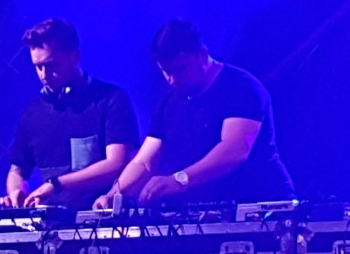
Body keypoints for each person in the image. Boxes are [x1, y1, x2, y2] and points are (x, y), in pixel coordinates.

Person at [94, 19, 294, 209]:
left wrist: (180, 179)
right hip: (211, 211)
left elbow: (234, 150)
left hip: (261, 205)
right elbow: (145, 161)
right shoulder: (169, 103)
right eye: (165, 71)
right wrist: (115, 194)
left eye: (180, 69)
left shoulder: (241, 88)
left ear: (202, 54)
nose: (172, 79)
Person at [3, 18, 139, 210]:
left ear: (74, 57)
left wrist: (56, 184)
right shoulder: (32, 112)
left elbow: (116, 162)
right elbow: (17, 169)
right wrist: (16, 191)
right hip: (48, 220)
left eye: (51, 65)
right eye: (38, 67)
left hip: (100, 216)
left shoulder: (111, 99)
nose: (43, 75)